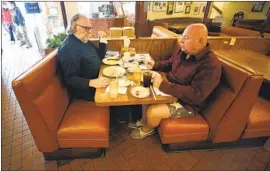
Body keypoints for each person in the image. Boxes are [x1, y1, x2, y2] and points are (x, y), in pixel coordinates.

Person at [130, 24, 222, 139]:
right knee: (145, 92)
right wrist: (155, 65)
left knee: (153, 113)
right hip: (172, 90)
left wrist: (164, 86)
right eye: (182, 36)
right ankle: (144, 121)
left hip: (188, 104)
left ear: (200, 41)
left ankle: (147, 129)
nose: (181, 40)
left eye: (186, 38)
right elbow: (170, 63)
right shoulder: (183, 51)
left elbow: (196, 95)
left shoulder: (211, 65)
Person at [57, 13, 109, 101]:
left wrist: (102, 40)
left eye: (90, 28)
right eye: (86, 28)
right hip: (87, 91)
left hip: (98, 79)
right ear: (76, 27)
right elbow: (70, 79)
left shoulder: (83, 40)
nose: (89, 31)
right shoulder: (68, 48)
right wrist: (93, 82)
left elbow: (99, 56)